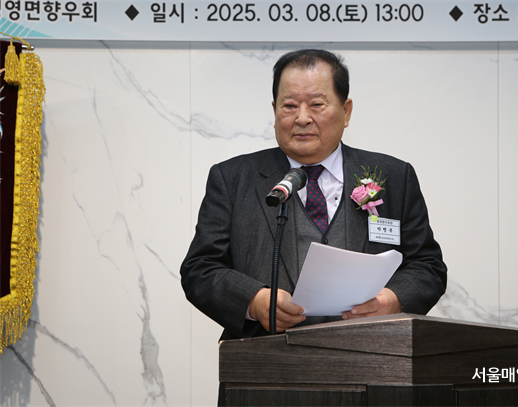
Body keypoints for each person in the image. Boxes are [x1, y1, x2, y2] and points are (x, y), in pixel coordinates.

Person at [181, 49, 447, 341]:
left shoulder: (394, 176)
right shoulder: (233, 178)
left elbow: (427, 266)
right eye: (289, 106)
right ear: (274, 110)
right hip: (265, 359)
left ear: (346, 111)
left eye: (317, 104)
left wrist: (393, 299)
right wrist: (254, 301)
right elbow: (200, 269)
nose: (302, 118)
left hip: (372, 355)